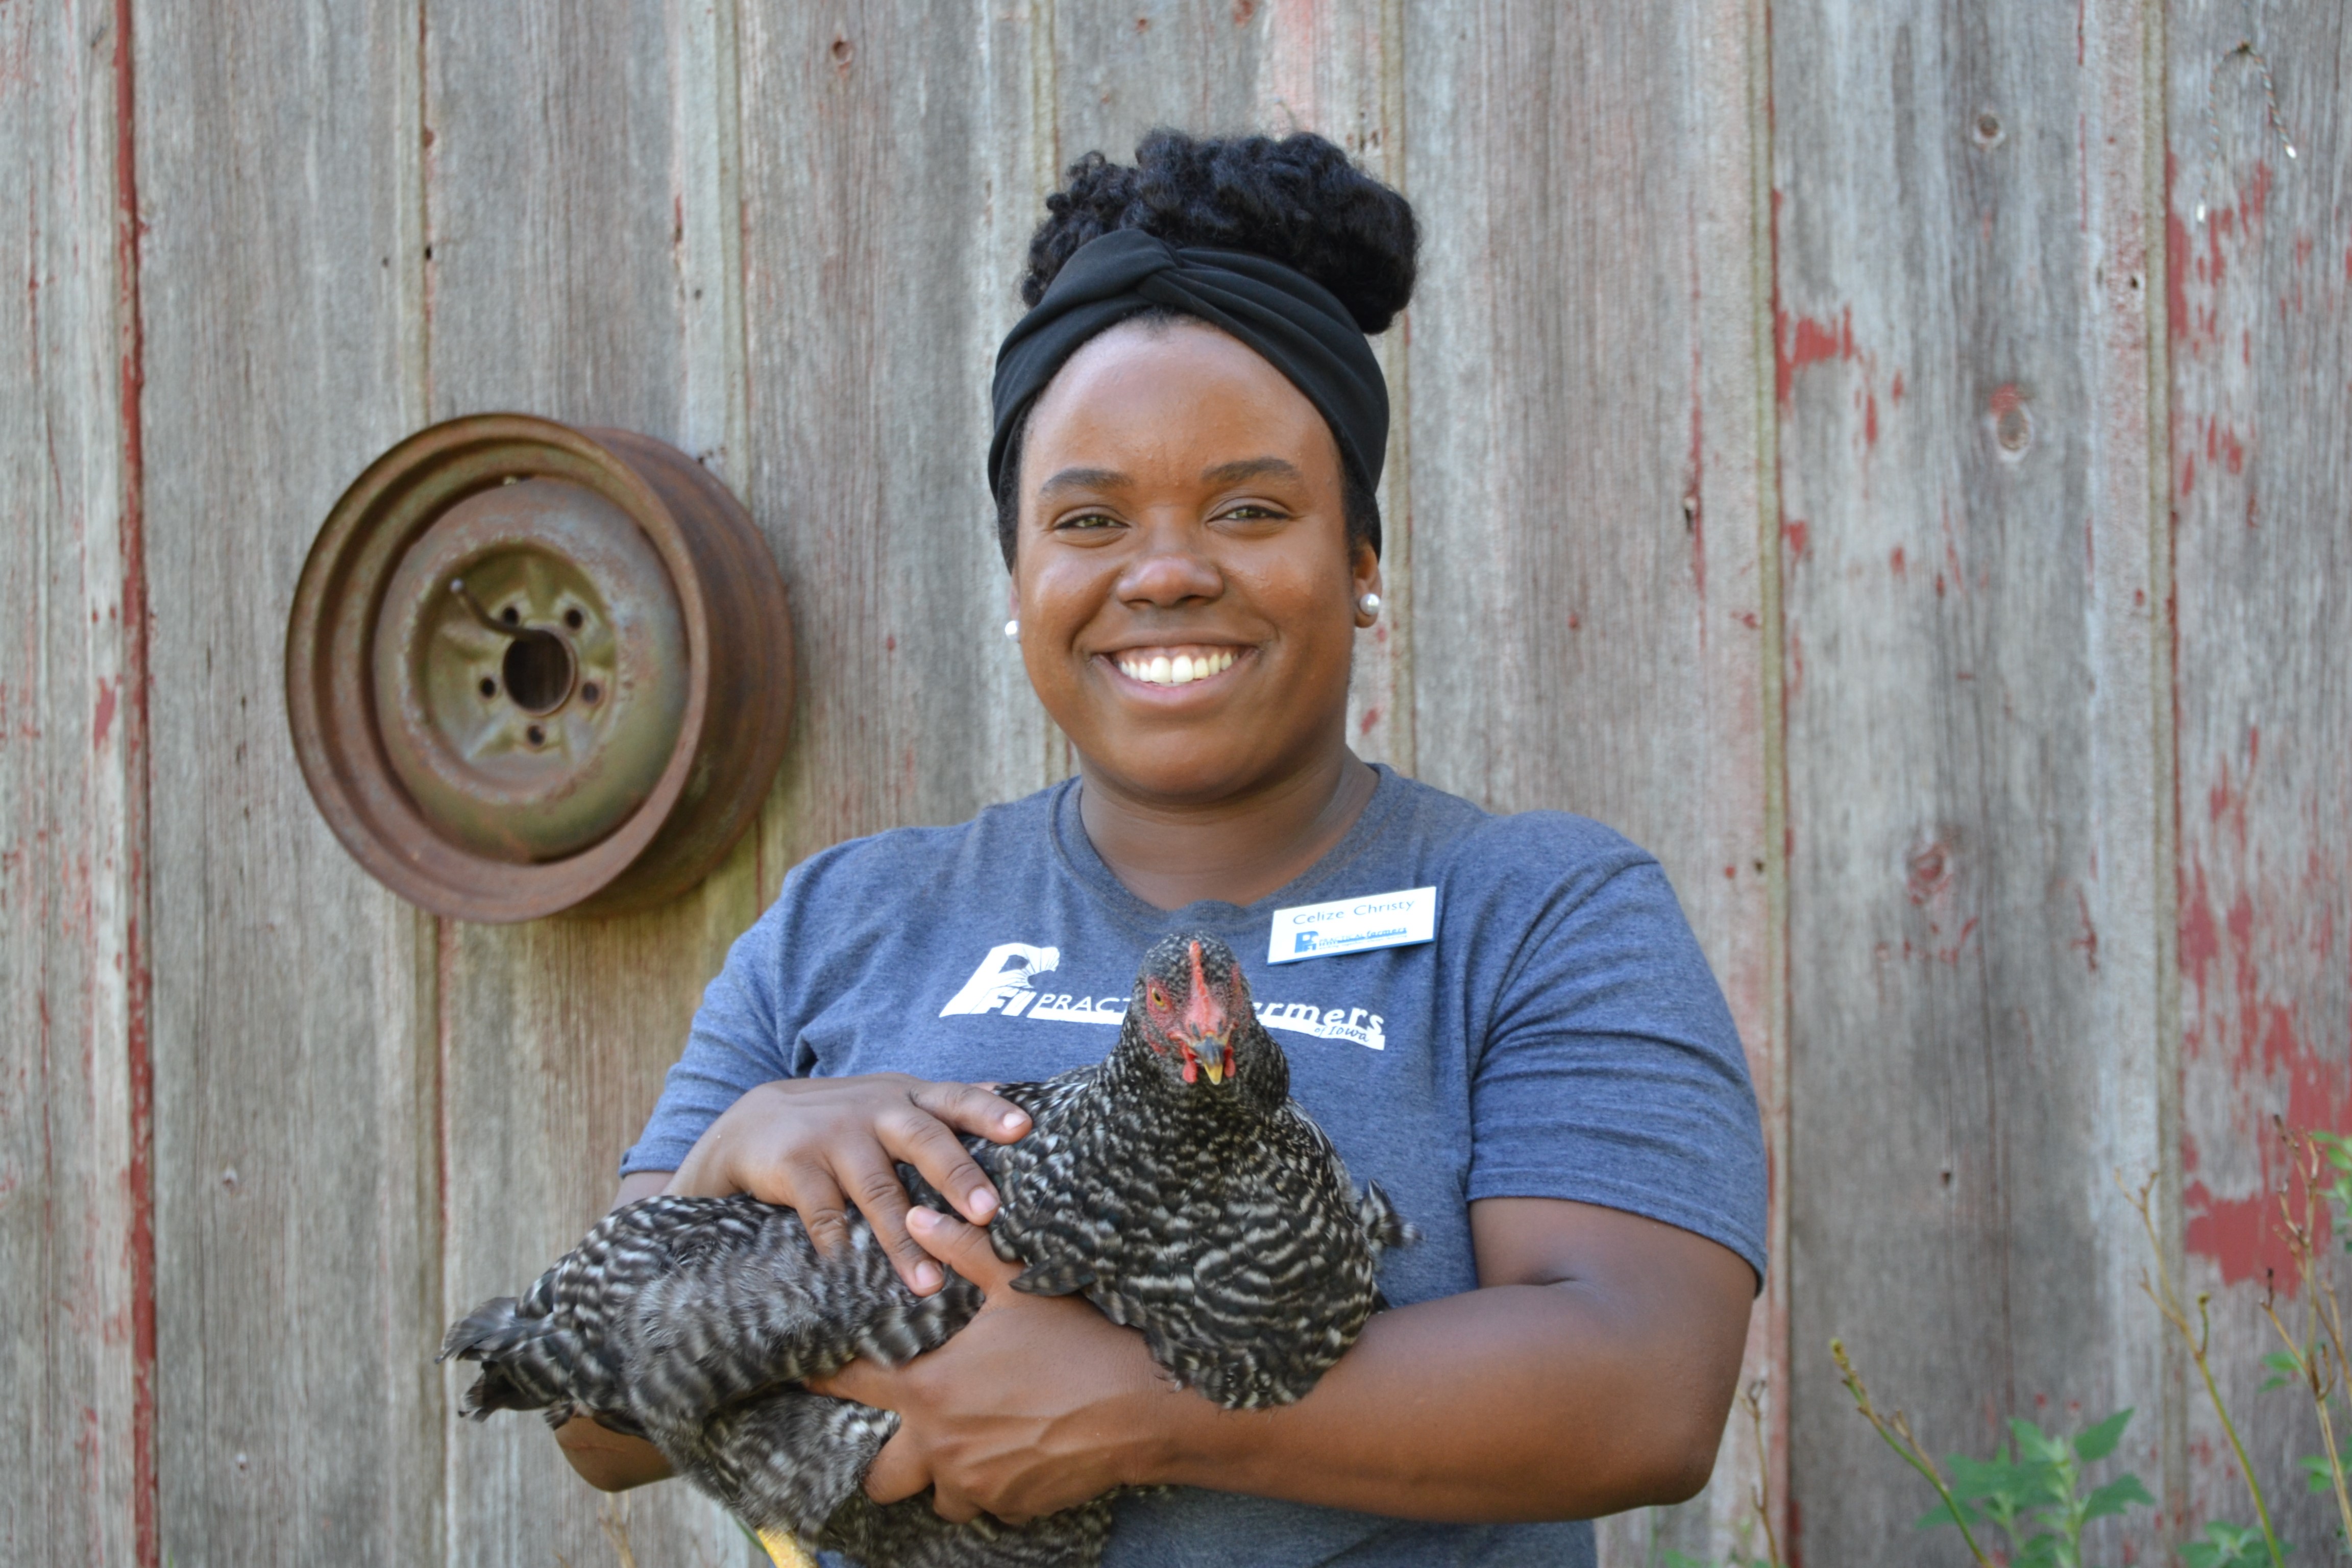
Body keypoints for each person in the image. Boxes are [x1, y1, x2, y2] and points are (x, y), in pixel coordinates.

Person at [557, 130, 1767, 1568]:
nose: (1167, 570)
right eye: (1089, 519)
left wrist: (1131, 1409)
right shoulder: (848, 919)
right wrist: (725, 1169)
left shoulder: (1535, 913)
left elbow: (1643, 1392)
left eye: (1251, 510)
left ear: (1361, 563)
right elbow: (598, 1422)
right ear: (1020, 579)